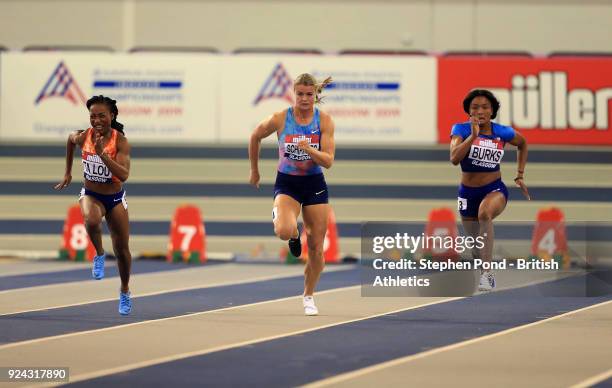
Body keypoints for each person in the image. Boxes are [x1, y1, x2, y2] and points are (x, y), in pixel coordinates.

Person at [249, 73, 335, 315]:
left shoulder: (324, 122)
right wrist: (254, 170)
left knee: (317, 248)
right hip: (287, 183)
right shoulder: (280, 118)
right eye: (300, 94)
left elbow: (328, 161)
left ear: (315, 96)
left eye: (309, 94)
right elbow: (255, 136)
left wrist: (310, 150)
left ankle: (308, 295)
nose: (304, 99)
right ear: (293, 94)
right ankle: (294, 233)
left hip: (314, 184)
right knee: (284, 231)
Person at [54, 95, 133, 315]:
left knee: (122, 250)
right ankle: (99, 253)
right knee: (91, 219)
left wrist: (102, 155)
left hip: (115, 198)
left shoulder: (121, 142)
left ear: (112, 116)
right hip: (90, 194)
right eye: (92, 116)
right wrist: (68, 171)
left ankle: (125, 290)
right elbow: (69, 141)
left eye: (101, 116)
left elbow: (124, 175)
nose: (96, 120)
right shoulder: (83, 136)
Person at [450, 89, 530, 291]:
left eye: (485, 107)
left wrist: (520, 174)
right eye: (475, 107)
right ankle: (482, 265)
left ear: (492, 111)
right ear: (468, 111)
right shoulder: (460, 130)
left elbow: (523, 143)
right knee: (476, 248)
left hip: (494, 189)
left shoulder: (502, 132)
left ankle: (487, 274)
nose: (480, 111)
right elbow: (454, 158)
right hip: (467, 194)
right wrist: (472, 137)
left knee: (484, 214)